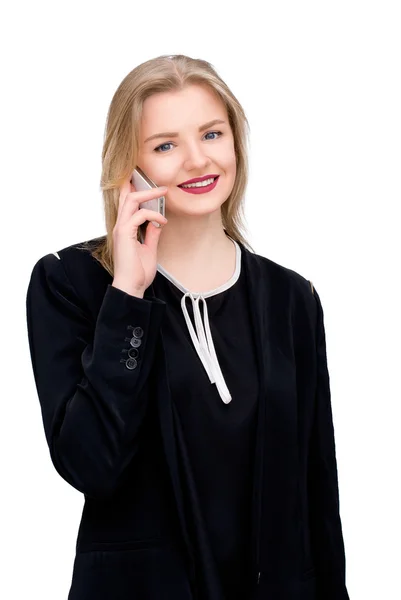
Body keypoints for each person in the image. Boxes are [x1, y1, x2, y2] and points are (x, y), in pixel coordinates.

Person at [26, 54, 350, 600]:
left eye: (212, 133)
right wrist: (128, 293)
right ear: (130, 166)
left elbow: (318, 497)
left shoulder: (293, 300)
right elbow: (90, 465)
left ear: (236, 143)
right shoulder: (71, 285)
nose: (198, 160)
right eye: (166, 145)